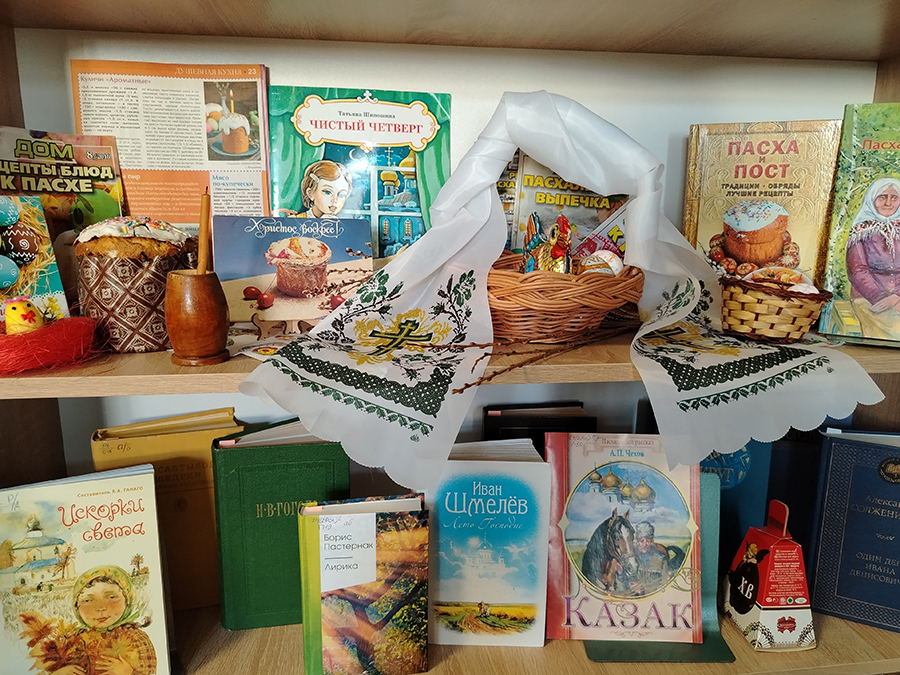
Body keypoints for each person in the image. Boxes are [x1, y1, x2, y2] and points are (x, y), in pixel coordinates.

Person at [25, 565, 157, 675]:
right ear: (77, 606)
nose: (100, 607)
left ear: (127, 599)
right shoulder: (73, 640)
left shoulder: (135, 638)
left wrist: (128, 672)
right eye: (88, 600)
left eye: (111, 597)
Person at [846, 176, 900, 339]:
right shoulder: (861, 231)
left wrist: (897, 297)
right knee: (892, 328)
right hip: (869, 297)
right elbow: (857, 271)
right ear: (872, 199)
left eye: (894, 197)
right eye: (882, 197)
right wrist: (883, 298)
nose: (888, 203)